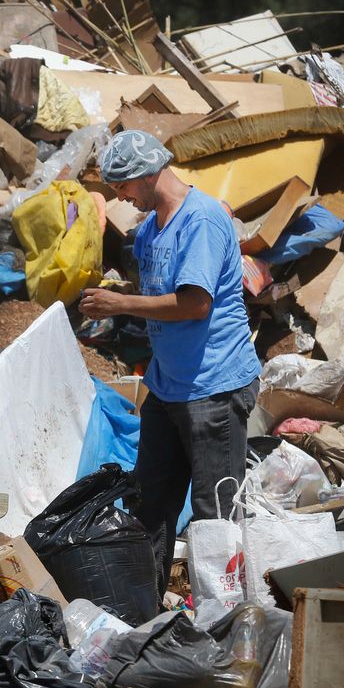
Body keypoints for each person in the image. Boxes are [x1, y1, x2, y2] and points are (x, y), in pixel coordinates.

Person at [80, 129, 260, 597]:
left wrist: (122, 305)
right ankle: (143, 610)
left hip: (214, 385)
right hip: (168, 385)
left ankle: (221, 619)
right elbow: (157, 293)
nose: (121, 197)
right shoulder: (150, 229)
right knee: (150, 503)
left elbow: (195, 303)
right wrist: (118, 296)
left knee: (215, 512)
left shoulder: (201, 220)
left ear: (146, 174)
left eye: (122, 186)